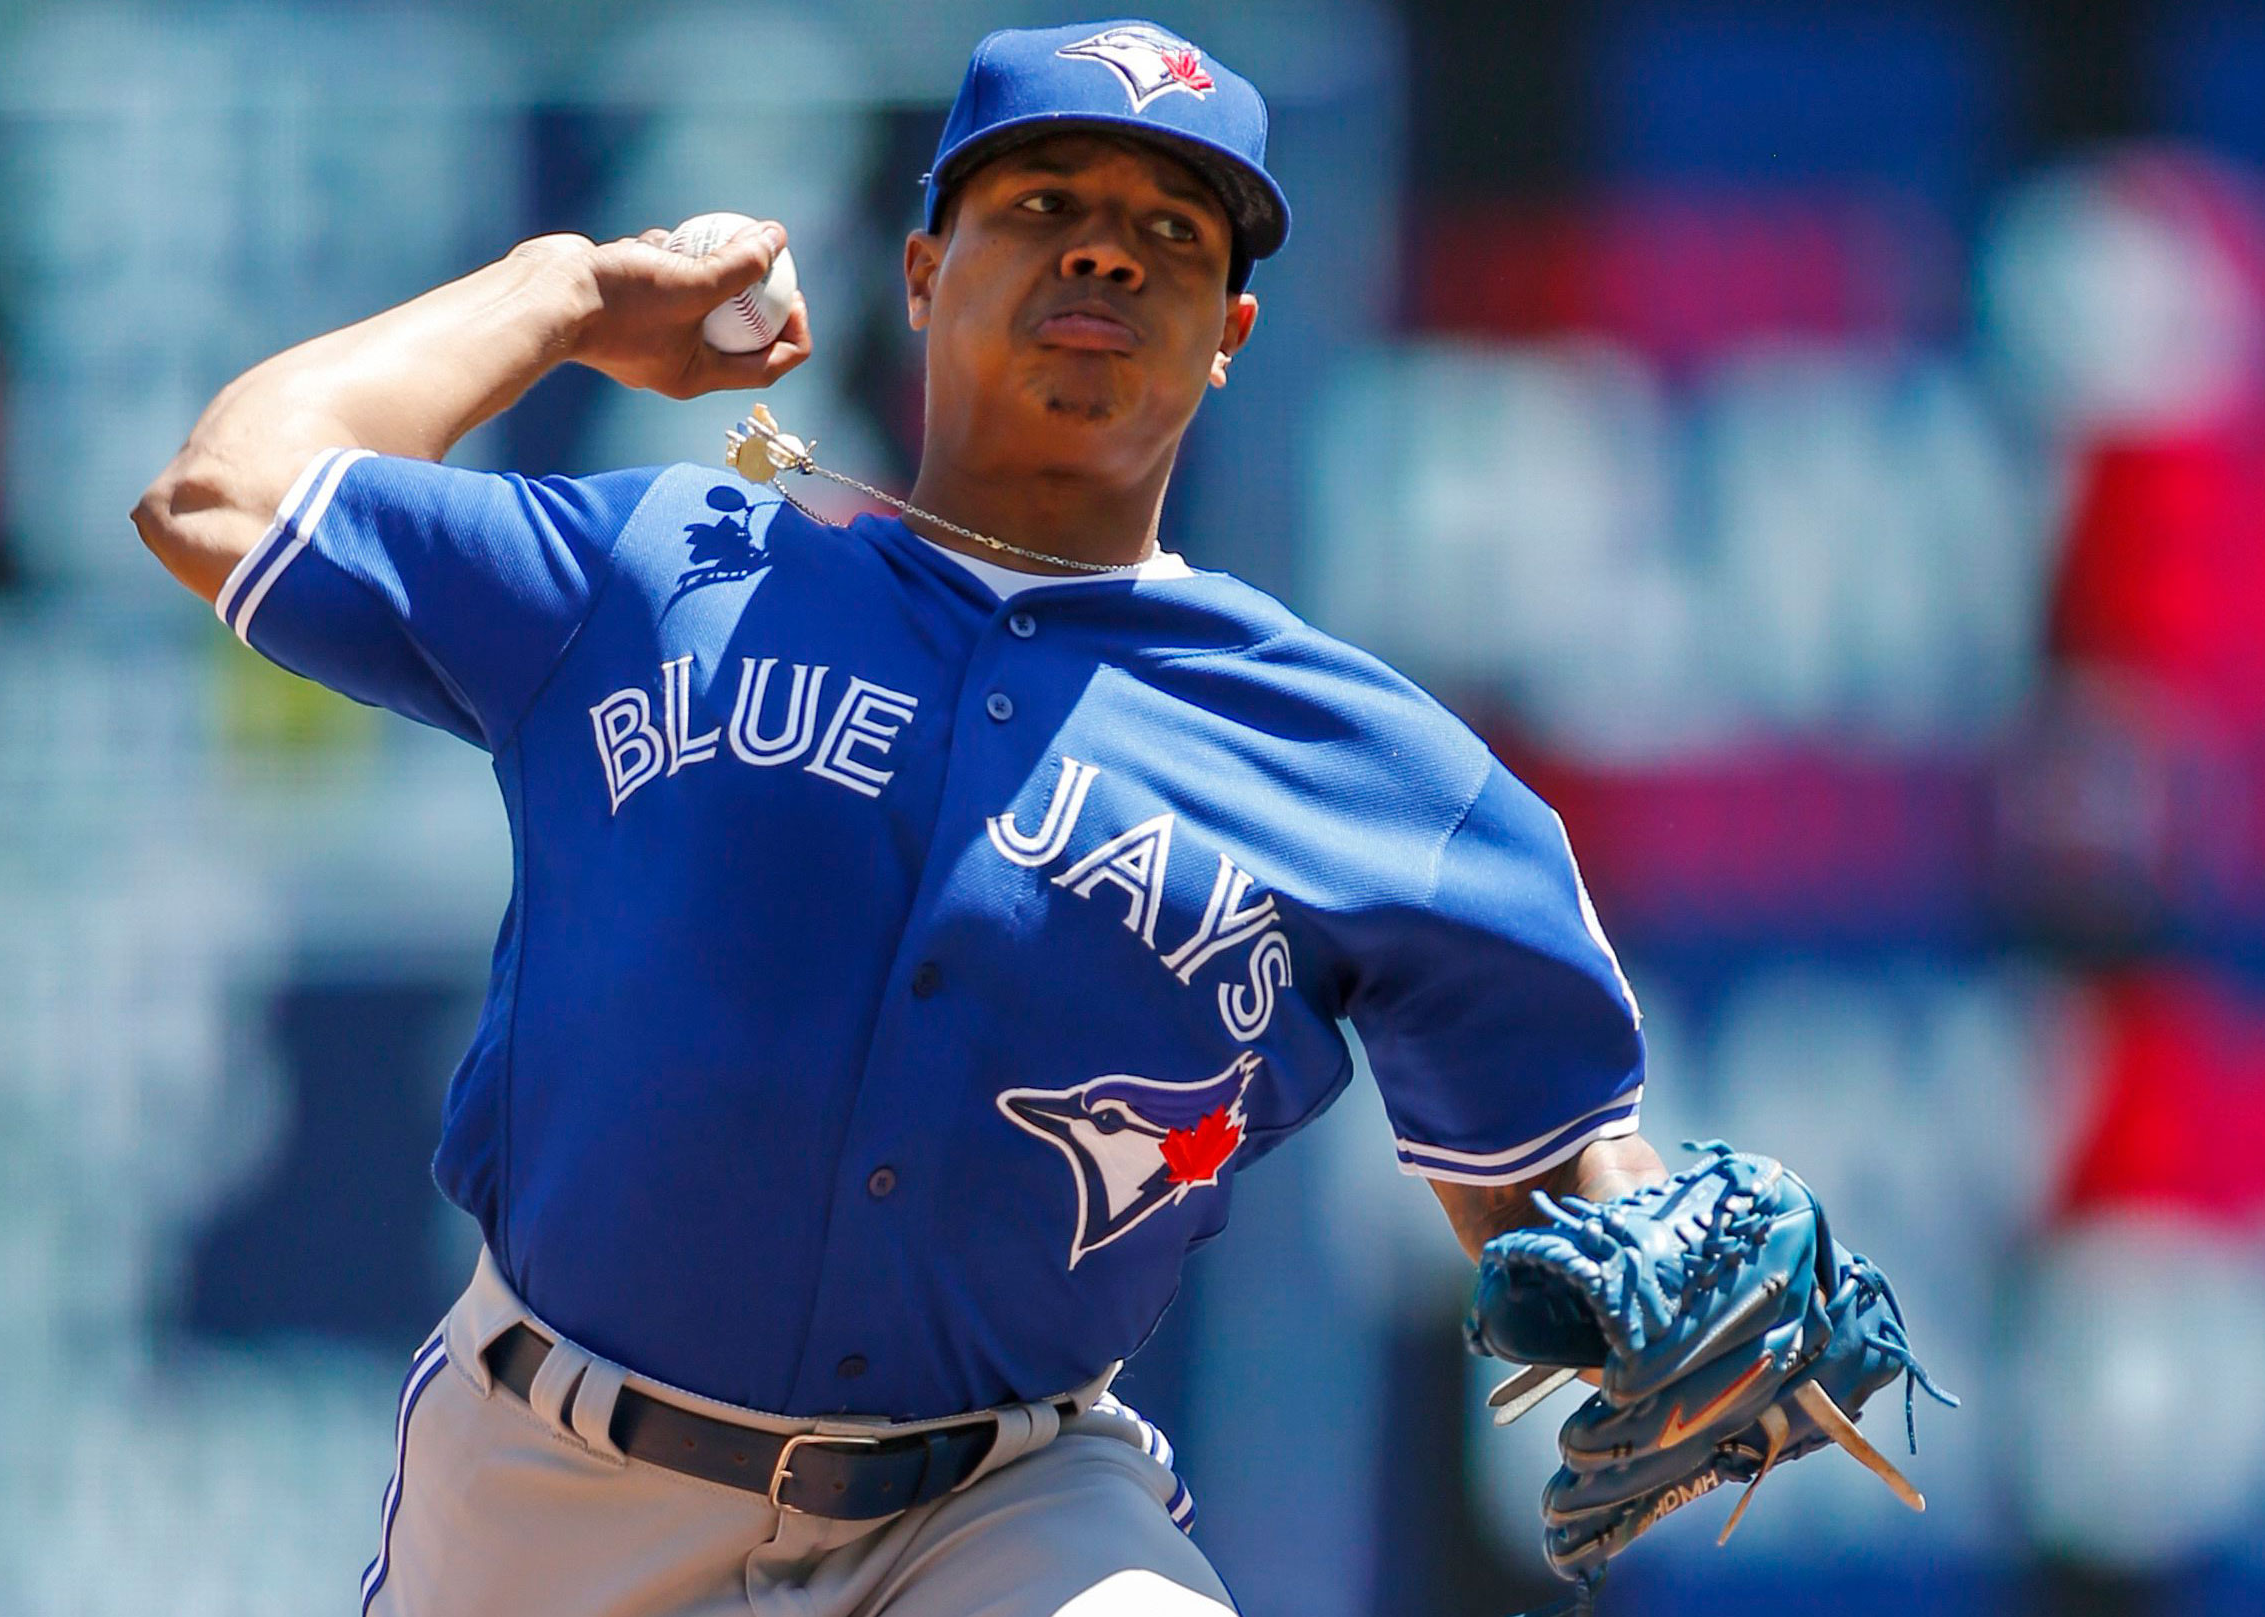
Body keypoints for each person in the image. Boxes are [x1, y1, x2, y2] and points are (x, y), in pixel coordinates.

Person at [135, 20, 1661, 1616]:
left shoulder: (1366, 769)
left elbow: (1571, 1196)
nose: (1108, 254)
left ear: (1233, 329)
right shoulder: (664, 564)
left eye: (1173, 234)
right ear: (923, 268)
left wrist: (1667, 1288)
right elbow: (222, 498)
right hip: (556, 1487)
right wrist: (565, 294)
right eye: (1044, 200)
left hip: (1003, 1510)